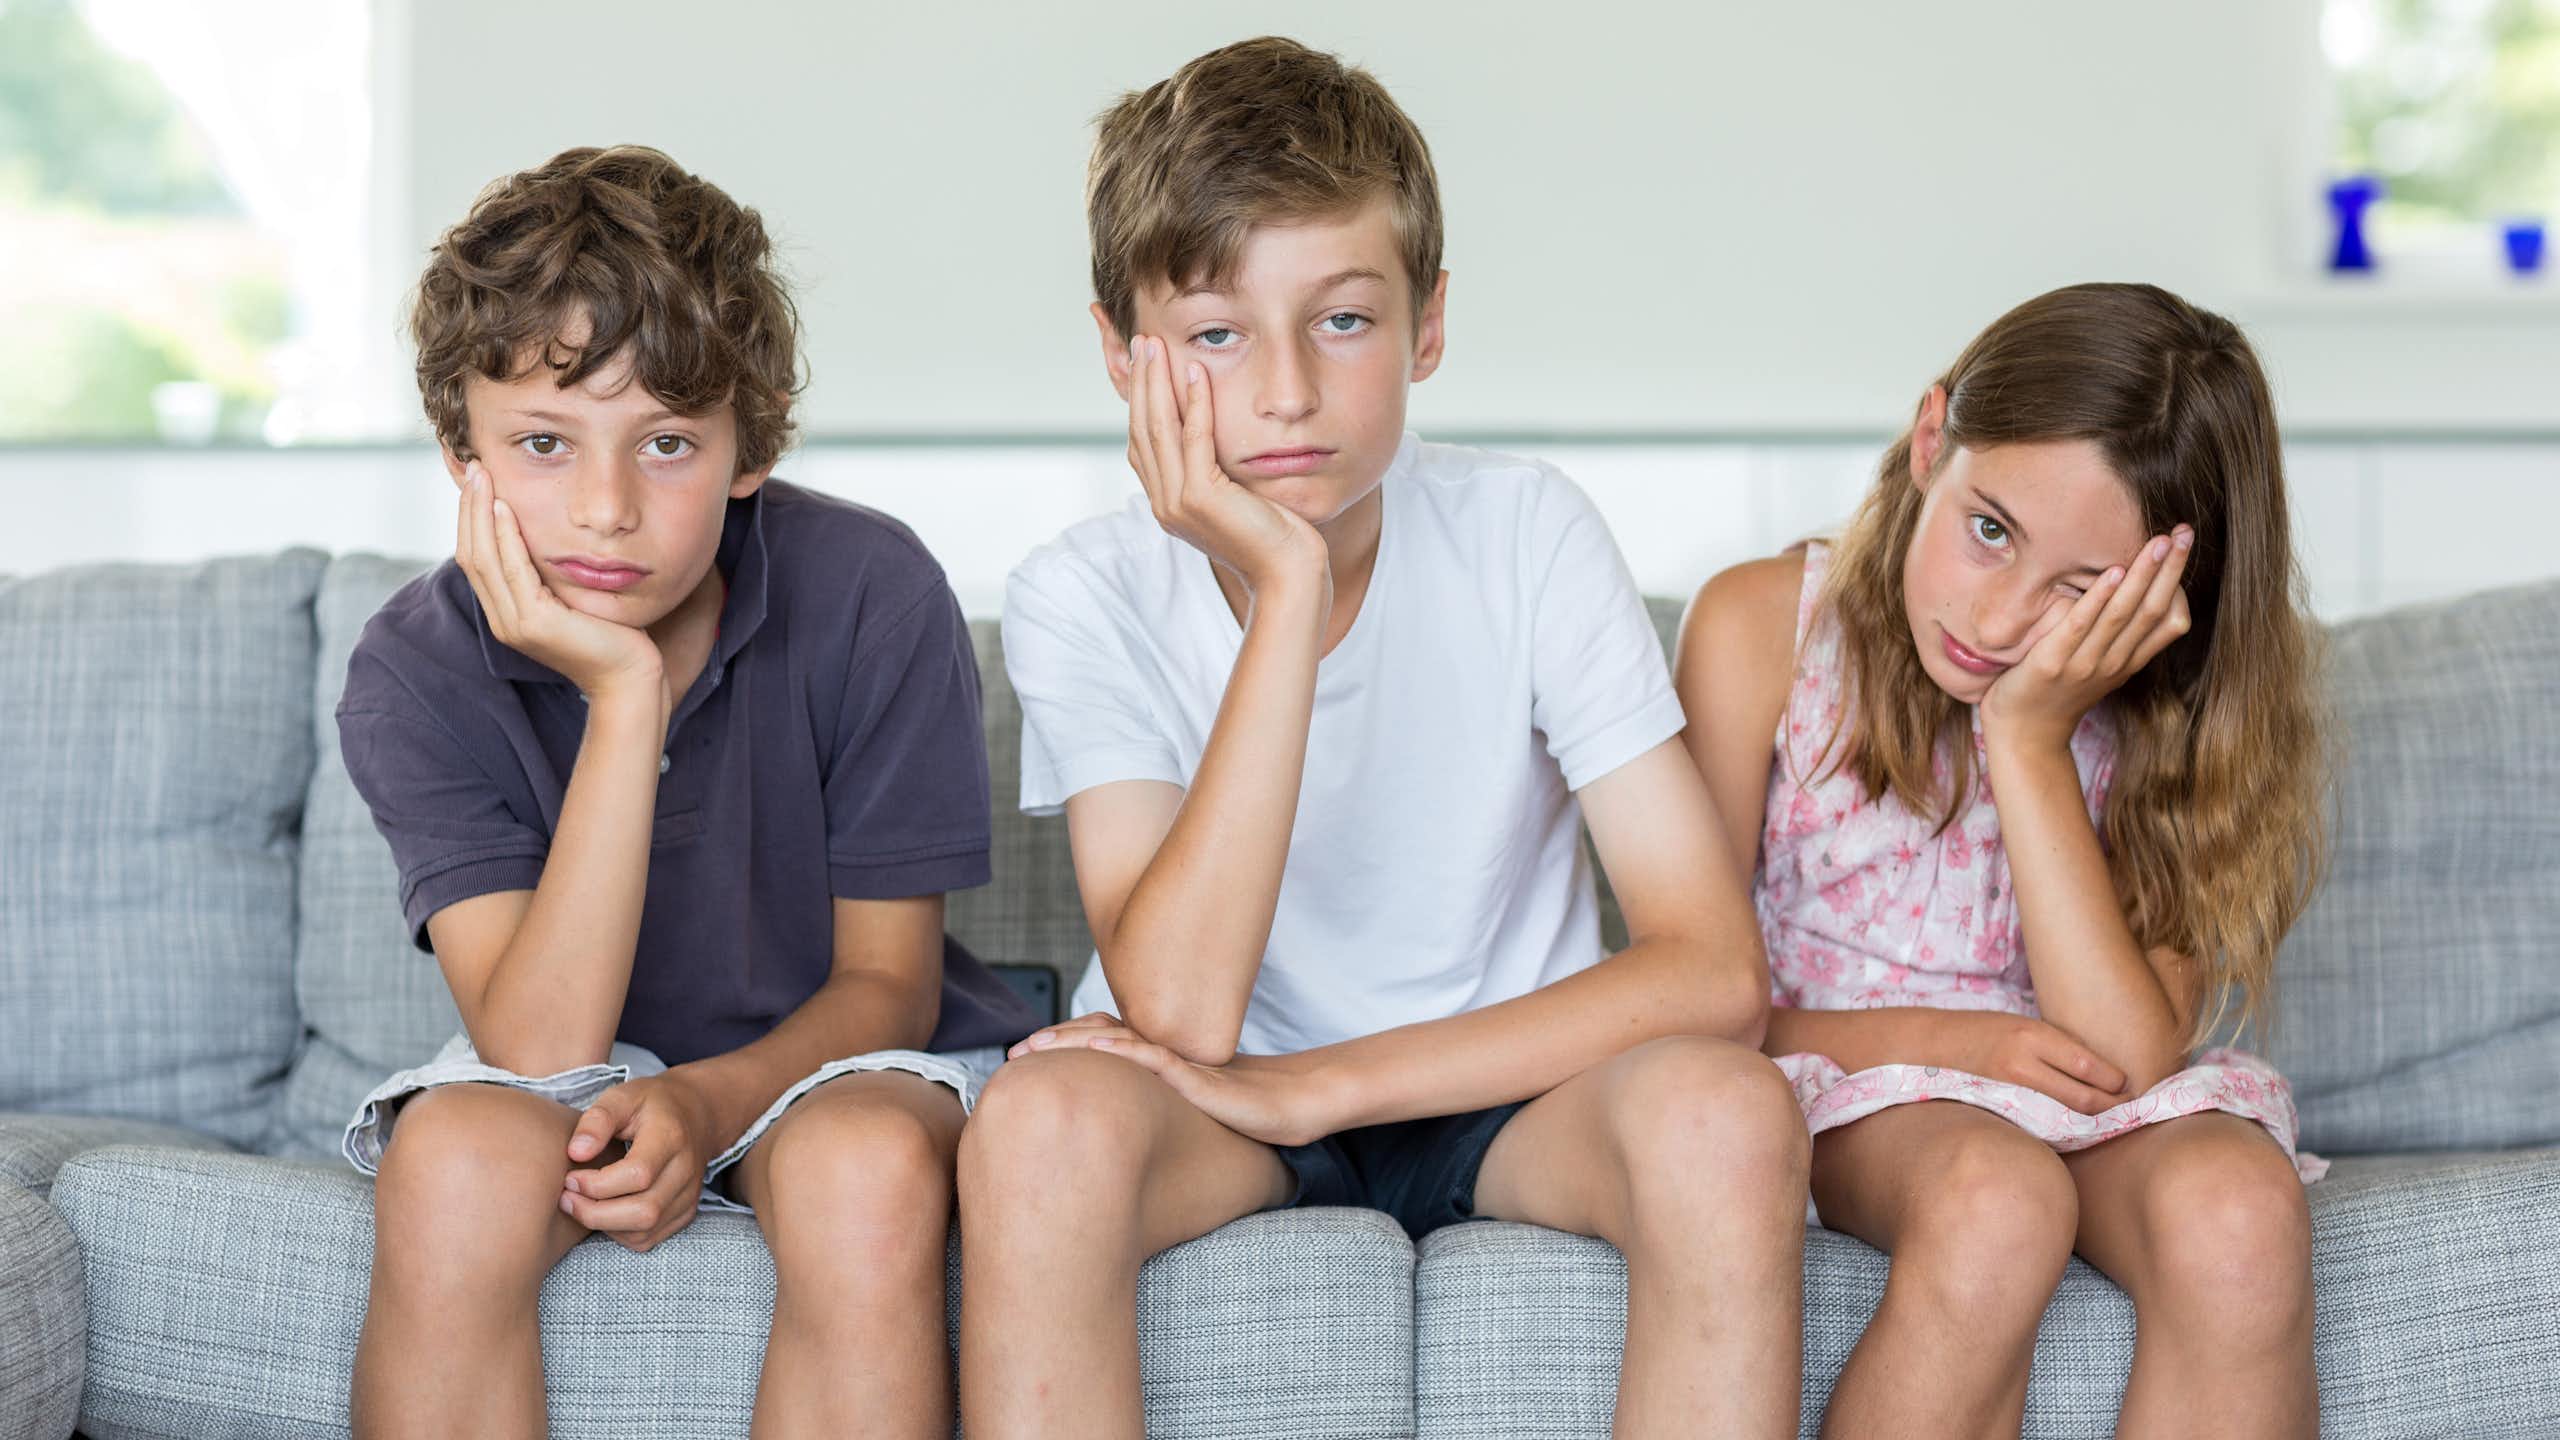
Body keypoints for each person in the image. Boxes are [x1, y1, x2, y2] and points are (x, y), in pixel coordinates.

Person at [1675, 281, 2327, 1438]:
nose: (2002, 621)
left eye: (2081, 591)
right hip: (1851, 1084)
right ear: (1932, 440)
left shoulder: (2164, 715)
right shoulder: (1762, 630)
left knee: (2238, 1210)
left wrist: (2026, 742)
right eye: (1990, 531)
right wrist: (1956, 1045)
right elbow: (1688, 1009)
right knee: (1997, 1199)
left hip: (2084, 1095)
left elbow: (2124, 1060)